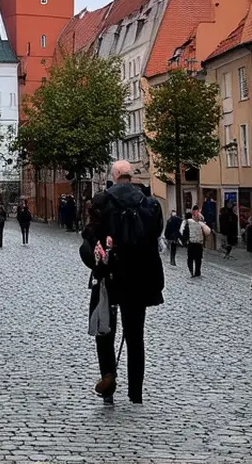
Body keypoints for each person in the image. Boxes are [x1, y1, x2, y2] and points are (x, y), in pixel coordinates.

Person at [80, 161, 164, 405]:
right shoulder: (149, 203)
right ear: (130, 176)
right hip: (139, 279)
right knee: (135, 336)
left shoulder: (101, 201)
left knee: (105, 331)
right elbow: (155, 237)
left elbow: (90, 237)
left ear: (114, 175)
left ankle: (108, 382)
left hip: (109, 277)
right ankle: (136, 392)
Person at [182, 209, 210, 278]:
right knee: (198, 258)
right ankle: (197, 272)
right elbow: (205, 233)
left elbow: (185, 232)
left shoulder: (188, 223)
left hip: (192, 243)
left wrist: (184, 241)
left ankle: (192, 271)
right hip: (198, 243)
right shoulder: (200, 224)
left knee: (190, 258)